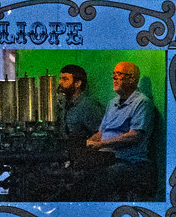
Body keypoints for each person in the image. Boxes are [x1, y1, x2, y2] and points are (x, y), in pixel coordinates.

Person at [86, 61, 155, 201]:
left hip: (130, 162)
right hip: (106, 157)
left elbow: (134, 136)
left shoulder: (142, 102)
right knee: (79, 175)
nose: (114, 78)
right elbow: (102, 132)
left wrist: (102, 145)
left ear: (132, 79)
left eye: (119, 74)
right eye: (113, 75)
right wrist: (91, 141)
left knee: (103, 178)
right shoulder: (112, 103)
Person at [59, 64, 104, 146]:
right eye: (60, 79)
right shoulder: (65, 104)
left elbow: (101, 134)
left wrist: (83, 145)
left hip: (82, 154)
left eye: (65, 79)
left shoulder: (88, 106)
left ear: (77, 83)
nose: (60, 82)